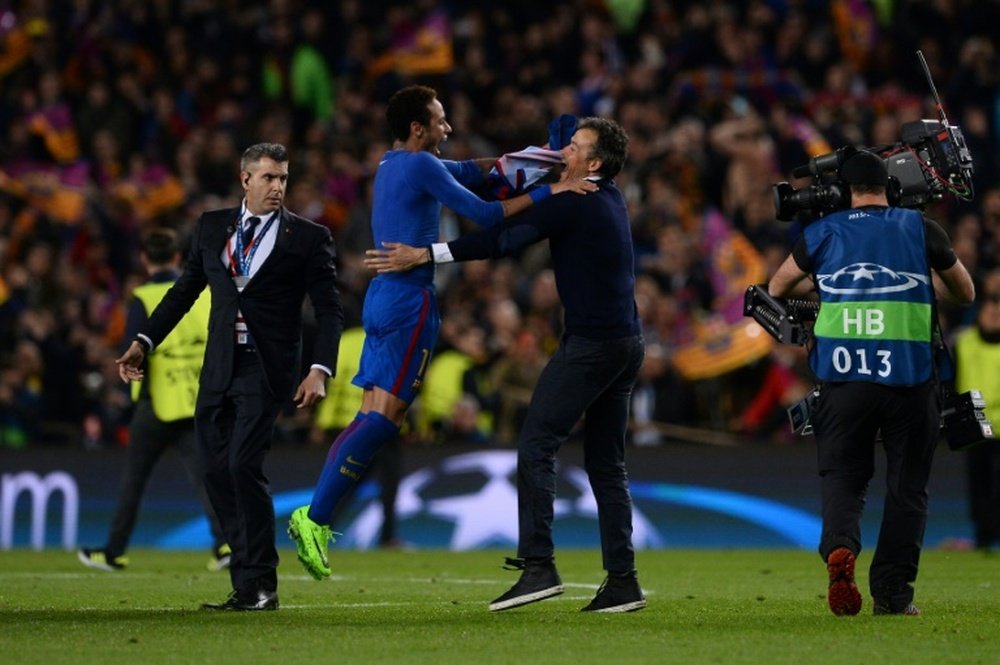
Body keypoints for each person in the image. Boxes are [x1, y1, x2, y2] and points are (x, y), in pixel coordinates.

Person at [286, 85, 594, 581]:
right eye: (441, 120)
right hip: (410, 299)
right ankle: (315, 517)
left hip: (384, 296)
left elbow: (476, 169)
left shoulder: (392, 163)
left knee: (371, 414)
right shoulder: (421, 164)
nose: (448, 128)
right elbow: (487, 215)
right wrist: (552, 189)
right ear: (417, 127)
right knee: (385, 420)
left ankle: (315, 518)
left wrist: (541, 157)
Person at [365, 117, 648, 613]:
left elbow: (499, 241)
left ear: (595, 163)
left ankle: (539, 566)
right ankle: (622, 580)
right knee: (607, 464)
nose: (563, 153)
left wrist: (424, 254)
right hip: (626, 343)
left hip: (592, 346)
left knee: (537, 443)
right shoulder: (609, 197)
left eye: (574, 148)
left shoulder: (574, 201)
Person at [115, 143, 344, 611]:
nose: (278, 187)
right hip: (218, 366)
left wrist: (320, 369)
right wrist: (144, 340)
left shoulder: (308, 237)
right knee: (214, 471)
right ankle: (246, 583)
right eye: (268, 178)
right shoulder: (211, 227)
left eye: (283, 178)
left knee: (243, 465)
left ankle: (262, 584)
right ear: (245, 180)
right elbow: (183, 293)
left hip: (266, 369)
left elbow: (329, 311)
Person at [768, 149, 975, 617]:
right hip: (909, 378)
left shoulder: (821, 231)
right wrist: (918, 284)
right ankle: (893, 595)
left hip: (843, 382)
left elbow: (778, 287)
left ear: (844, 191)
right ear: (890, 186)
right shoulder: (921, 228)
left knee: (843, 477)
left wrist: (831, 288)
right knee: (907, 489)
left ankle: (841, 546)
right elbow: (966, 292)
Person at [78, 228, 229, 573]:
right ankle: (224, 545)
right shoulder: (202, 292)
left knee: (134, 480)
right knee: (206, 478)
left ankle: (114, 551)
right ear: (177, 257)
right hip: (196, 399)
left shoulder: (144, 297)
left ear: (144, 259)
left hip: (156, 402)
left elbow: (134, 348)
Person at [953, 268, 1000, 552]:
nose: (994, 312)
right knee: (978, 487)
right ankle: (983, 538)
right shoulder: (965, 342)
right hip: (975, 426)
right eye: (990, 305)